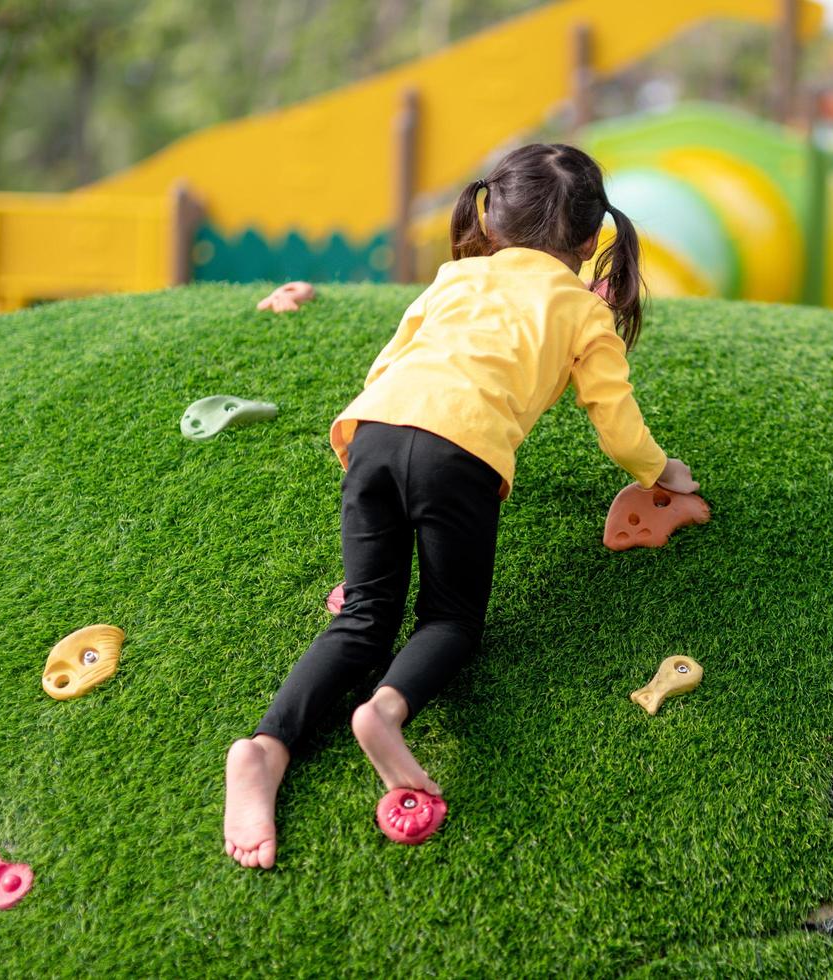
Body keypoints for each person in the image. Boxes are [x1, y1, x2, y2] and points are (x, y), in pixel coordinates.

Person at [223, 143, 697, 869]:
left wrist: (364, 458)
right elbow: (615, 420)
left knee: (364, 617)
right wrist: (665, 472)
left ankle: (264, 749)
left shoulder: (454, 277)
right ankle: (383, 711)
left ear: (492, 218)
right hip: (459, 456)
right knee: (449, 619)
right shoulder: (579, 309)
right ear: (591, 239)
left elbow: (390, 364)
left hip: (374, 435)